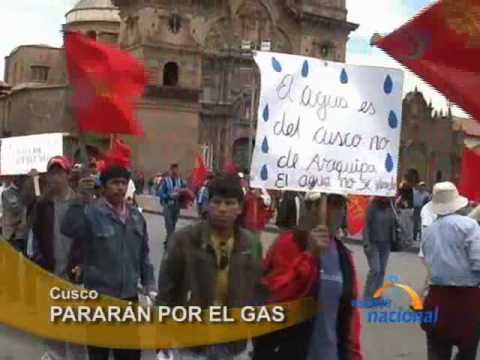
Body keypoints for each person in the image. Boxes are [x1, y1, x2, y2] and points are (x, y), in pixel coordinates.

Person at [156, 174, 263, 360]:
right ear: (207, 204)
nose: (222, 209)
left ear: (240, 208)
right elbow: (167, 291)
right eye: (217, 202)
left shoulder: (251, 244)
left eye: (229, 203)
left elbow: (257, 291)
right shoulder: (184, 239)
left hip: (233, 342)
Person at [252, 192, 363, 360]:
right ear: (311, 208)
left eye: (341, 205)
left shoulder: (343, 255)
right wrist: (309, 255)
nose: (338, 212)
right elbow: (273, 297)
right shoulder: (288, 244)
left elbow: (350, 314)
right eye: (331, 203)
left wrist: (354, 356)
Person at [62, 163, 156, 360]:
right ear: (103, 187)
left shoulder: (136, 217)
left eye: (123, 183)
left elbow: (144, 254)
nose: (120, 188)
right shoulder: (91, 213)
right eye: (114, 183)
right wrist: (80, 198)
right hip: (99, 299)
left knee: (130, 355)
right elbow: (68, 228)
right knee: (99, 354)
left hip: (128, 300)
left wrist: (149, 285)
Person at [30, 156, 87, 360]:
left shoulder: (80, 204)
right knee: (53, 336)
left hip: (74, 281)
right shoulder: (42, 205)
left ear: (67, 174)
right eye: (51, 173)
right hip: (49, 277)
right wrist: (37, 261)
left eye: (59, 172)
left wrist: (83, 263)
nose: (55, 177)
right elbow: (34, 238)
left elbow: (88, 240)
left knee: (76, 336)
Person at [421, 182, 480, 360]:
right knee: (467, 351)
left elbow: (427, 260)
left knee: (436, 351)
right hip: (466, 300)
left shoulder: (428, 231)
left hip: (436, 297)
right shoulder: (470, 226)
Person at [362, 197, 397, 299]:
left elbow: (394, 223)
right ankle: (367, 295)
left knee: (382, 270)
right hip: (373, 242)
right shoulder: (372, 207)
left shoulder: (391, 206)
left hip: (386, 243)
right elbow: (366, 225)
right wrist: (366, 243)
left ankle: (377, 293)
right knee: (375, 269)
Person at [158, 163, 187, 246]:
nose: (175, 172)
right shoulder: (165, 181)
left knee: (173, 223)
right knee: (169, 224)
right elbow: (160, 193)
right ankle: (170, 243)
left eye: (176, 170)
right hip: (167, 205)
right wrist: (169, 196)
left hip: (177, 206)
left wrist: (184, 195)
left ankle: (168, 239)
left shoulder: (181, 181)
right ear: (171, 170)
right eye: (173, 170)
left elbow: (185, 191)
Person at [2, 175, 28, 253]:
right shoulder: (7, 193)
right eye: (21, 177)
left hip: (24, 235)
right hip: (13, 236)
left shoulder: (27, 192)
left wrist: (36, 181)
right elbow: (16, 208)